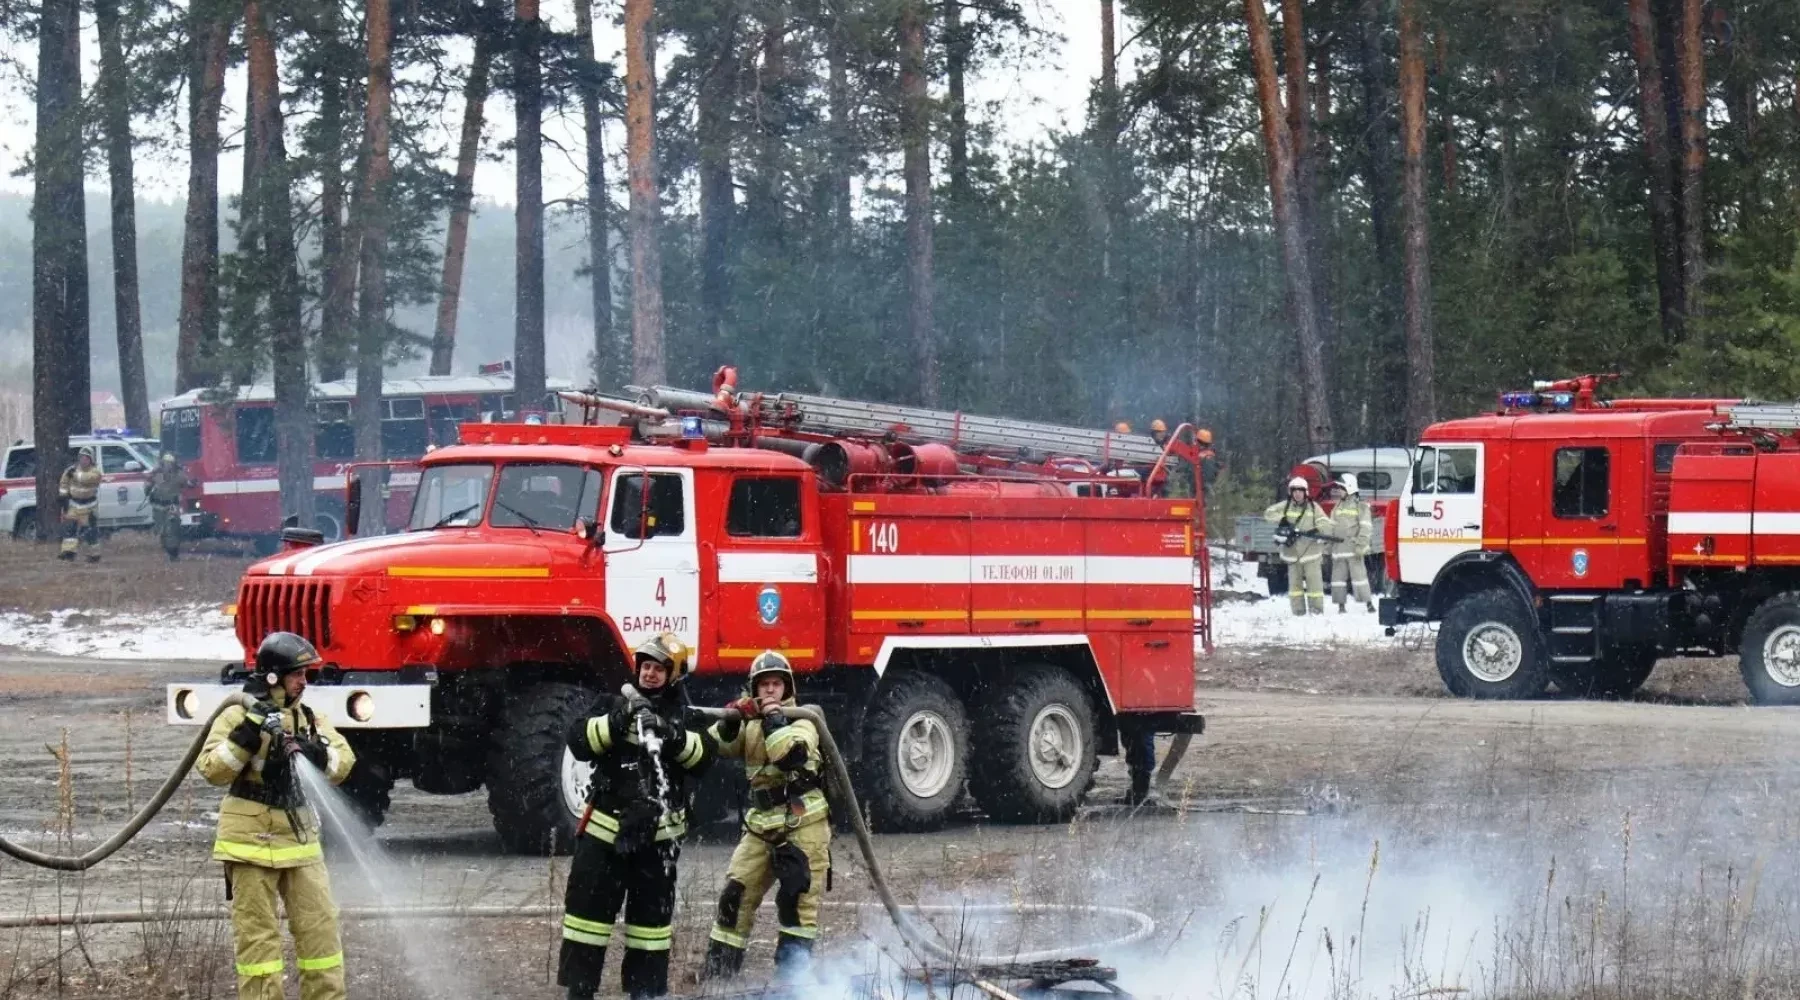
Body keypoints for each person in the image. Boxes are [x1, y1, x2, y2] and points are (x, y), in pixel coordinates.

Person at [196, 632, 355, 1000]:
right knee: (259, 948)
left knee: (321, 937)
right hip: (247, 843)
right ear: (273, 676)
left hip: (299, 841)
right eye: (298, 674)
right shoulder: (237, 713)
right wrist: (246, 735)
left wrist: (315, 753)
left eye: (306, 674)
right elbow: (212, 770)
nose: (304, 681)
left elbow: (343, 762)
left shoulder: (309, 718)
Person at [559, 632, 714, 1000]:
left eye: (658, 669)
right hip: (603, 837)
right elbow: (578, 741)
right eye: (645, 666)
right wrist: (617, 722)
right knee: (586, 922)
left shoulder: (684, 716)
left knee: (650, 931)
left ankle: (644, 994)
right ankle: (580, 993)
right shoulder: (613, 704)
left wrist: (671, 734)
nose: (649, 674)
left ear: (673, 675)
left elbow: (704, 759)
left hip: (657, 845)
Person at [700, 651, 832, 983]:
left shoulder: (805, 721)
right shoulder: (751, 722)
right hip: (761, 824)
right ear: (753, 688)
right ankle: (719, 977)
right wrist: (731, 719)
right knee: (735, 896)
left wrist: (773, 718)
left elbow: (788, 755)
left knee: (796, 903)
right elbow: (714, 746)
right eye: (763, 685)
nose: (770, 690)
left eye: (776, 684)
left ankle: (793, 983)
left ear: (787, 688)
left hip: (802, 823)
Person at [1264, 476, 1334, 616]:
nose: (1297, 493)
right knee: (1295, 587)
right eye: (1294, 490)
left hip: (1311, 554)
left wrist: (1320, 532)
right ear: (1291, 492)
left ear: (1305, 492)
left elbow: (1324, 522)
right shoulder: (1285, 506)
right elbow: (1268, 513)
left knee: (1314, 586)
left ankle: (1316, 612)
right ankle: (1298, 612)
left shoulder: (1314, 507)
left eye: (1300, 491)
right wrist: (1282, 521)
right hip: (1292, 554)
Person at [1327, 474, 1377, 613]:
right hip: (1338, 550)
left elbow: (1366, 527)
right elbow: (1331, 526)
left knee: (1360, 578)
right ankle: (1341, 606)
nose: (1339, 491)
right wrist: (1327, 545)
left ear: (1349, 488)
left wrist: (1361, 545)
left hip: (1354, 550)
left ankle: (1368, 604)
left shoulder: (1360, 506)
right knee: (1338, 580)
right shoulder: (1337, 507)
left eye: (1341, 488)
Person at [57, 447, 103, 562]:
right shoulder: (71, 470)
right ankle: (68, 552)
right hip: (74, 504)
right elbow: (64, 482)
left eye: (86, 458)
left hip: (89, 506)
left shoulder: (95, 471)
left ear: (91, 460)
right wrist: (63, 496)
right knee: (70, 529)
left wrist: (75, 475)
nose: (84, 460)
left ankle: (94, 555)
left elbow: (88, 479)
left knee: (90, 531)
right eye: (82, 457)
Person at [146, 453, 193, 561]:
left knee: (172, 528)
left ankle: (173, 552)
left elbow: (187, 483)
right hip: (158, 505)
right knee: (161, 530)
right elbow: (148, 484)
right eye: (165, 463)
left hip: (172, 505)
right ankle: (168, 548)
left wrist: (192, 483)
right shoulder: (156, 474)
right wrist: (148, 489)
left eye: (170, 463)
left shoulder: (179, 474)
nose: (167, 466)